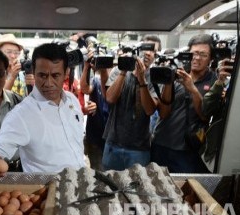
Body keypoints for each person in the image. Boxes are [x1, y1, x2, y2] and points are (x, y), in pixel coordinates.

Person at [0, 43, 86, 176]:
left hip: (83, 184)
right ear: (33, 71)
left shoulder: (71, 100)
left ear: (66, 72)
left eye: (55, 75)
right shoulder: (22, 114)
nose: (48, 83)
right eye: (42, 75)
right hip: (49, 191)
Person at [151, 34, 217, 173]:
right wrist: (169, 81)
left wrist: (192, 89)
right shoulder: (176, 74)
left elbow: (205, 116)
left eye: (203, 55)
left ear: (211, 59)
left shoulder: (214, 82)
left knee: (185, 190)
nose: (197, 58)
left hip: (188, 150)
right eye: (194, 53)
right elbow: (163, 113)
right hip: (161, 143)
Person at [102, 35, 160, 171]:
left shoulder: (155, 76)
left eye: (152, 50)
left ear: (156, 55)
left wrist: (142, 81)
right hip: (113, 143)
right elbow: (110, 98)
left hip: (139, 148)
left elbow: (150, 110)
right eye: (144, 48)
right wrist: (124, 70)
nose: (147, 53)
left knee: (137, 189)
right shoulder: (119, 71)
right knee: (109, 187)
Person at [80, 48, 109, 170]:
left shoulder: (118, 83)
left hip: (110, 140)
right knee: (98, 174)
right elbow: (85, 88)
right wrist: (86, 66)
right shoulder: (95, 81)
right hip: (95, 138)